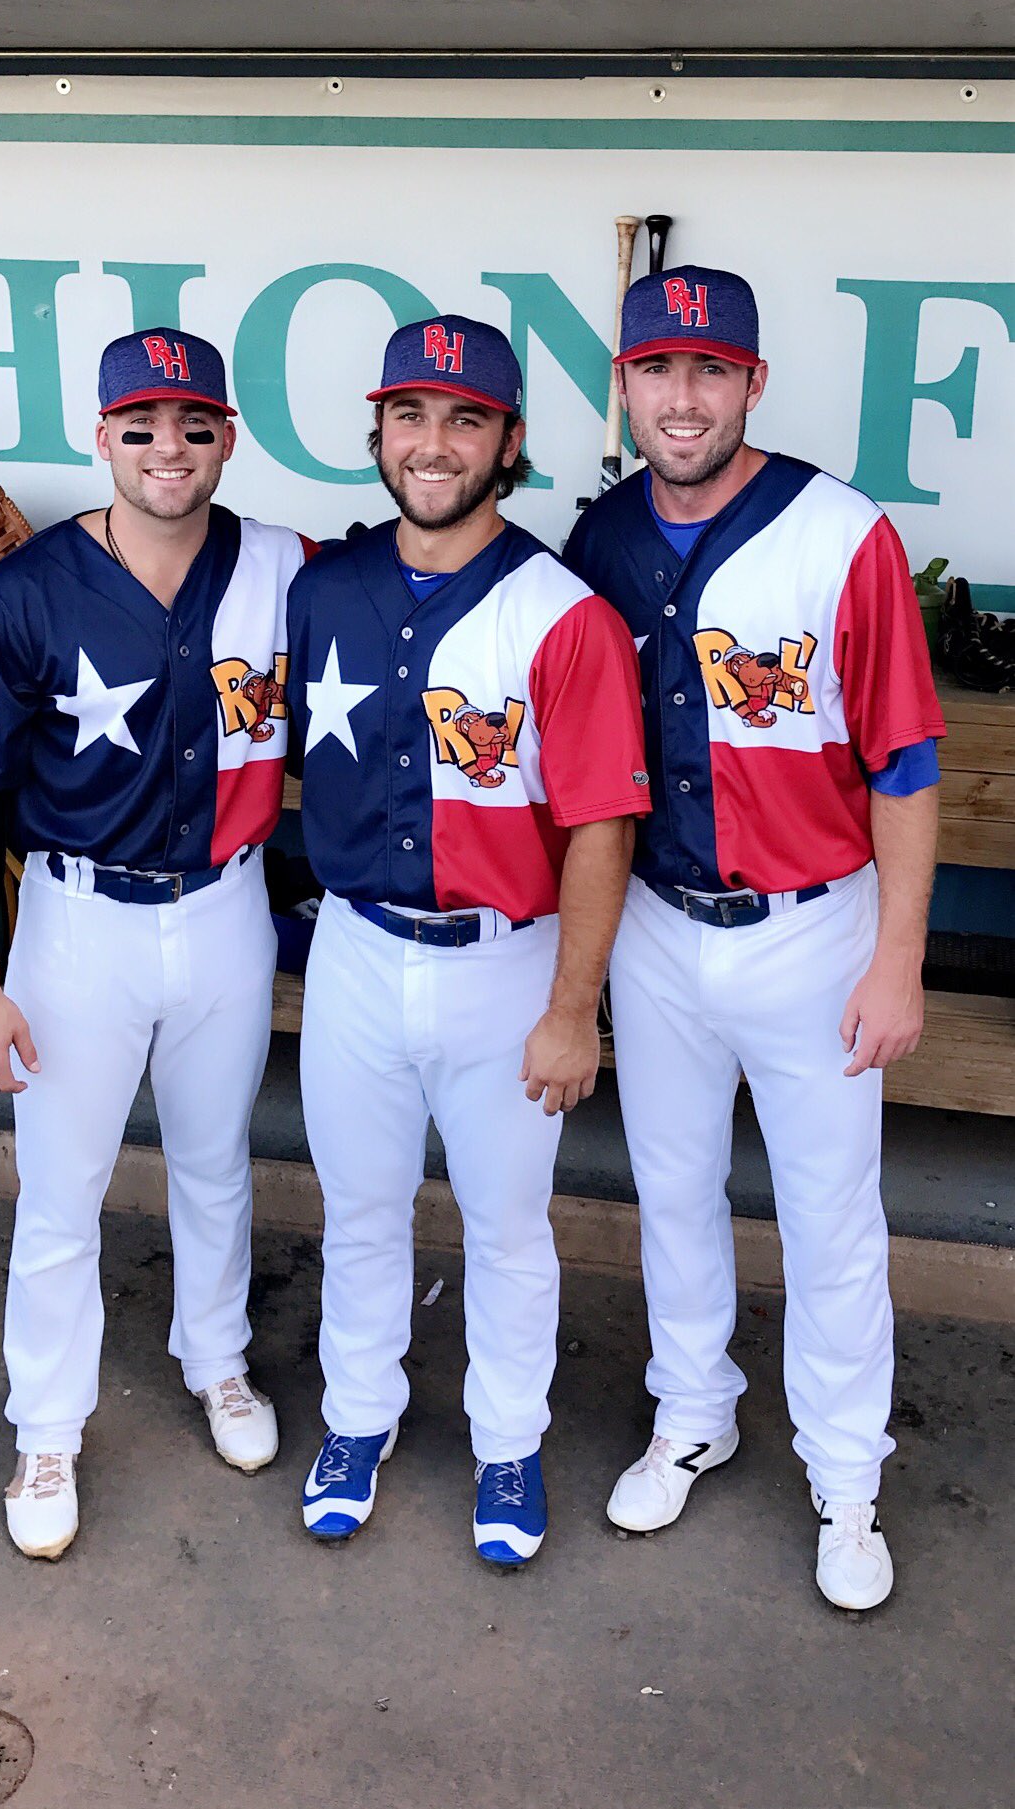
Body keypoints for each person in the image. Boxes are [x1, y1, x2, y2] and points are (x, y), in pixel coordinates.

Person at [563, 267, 944, 1612]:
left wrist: (896, 956)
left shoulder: (844, 535)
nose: (682, 396)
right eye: (657, 370)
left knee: (831, 1215)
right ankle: (693, 1411)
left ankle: (848, 1477)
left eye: (709, 371)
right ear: (626, 383)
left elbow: (902, 763)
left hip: (812, 928)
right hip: (663, 924)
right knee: (670, 1189)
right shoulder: (602, 536)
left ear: (751, 386)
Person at [0, 328, 309, 1559]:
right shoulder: (26, 589)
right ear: (102, 436)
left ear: (227, 437)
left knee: (214, 1163)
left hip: (227, 910)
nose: (168, 448)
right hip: (78, 919)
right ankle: (47, 1426)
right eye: (140, 425)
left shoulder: (284, 566)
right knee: (62, 1189)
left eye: (194, 425)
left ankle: (219, 1360)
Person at [284, 315, 650, 1566]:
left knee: (505, 1225)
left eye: (464, 419)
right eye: (409, 416)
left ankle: (507, 1443)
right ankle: (358, 1418)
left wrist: (572, 1006)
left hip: (506, 961)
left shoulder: (564, 615)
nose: (432, 443)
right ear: (378, 432)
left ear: (510, 444)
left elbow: (601, 826)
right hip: (354, 948)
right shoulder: (321, 586)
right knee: (363, 1209)